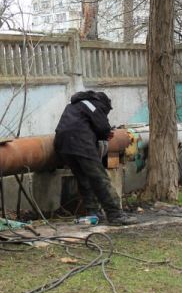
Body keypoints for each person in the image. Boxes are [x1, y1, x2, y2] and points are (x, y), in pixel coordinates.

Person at [54, 91, 136, 226]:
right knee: (99, 178)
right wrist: (106, 133)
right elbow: (103, 128)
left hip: (62, 145)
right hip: (80, 143)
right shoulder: (94, 105)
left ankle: (93, 213)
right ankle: (115, 214)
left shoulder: (74, 105)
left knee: (83, 179)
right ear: (103, 104)